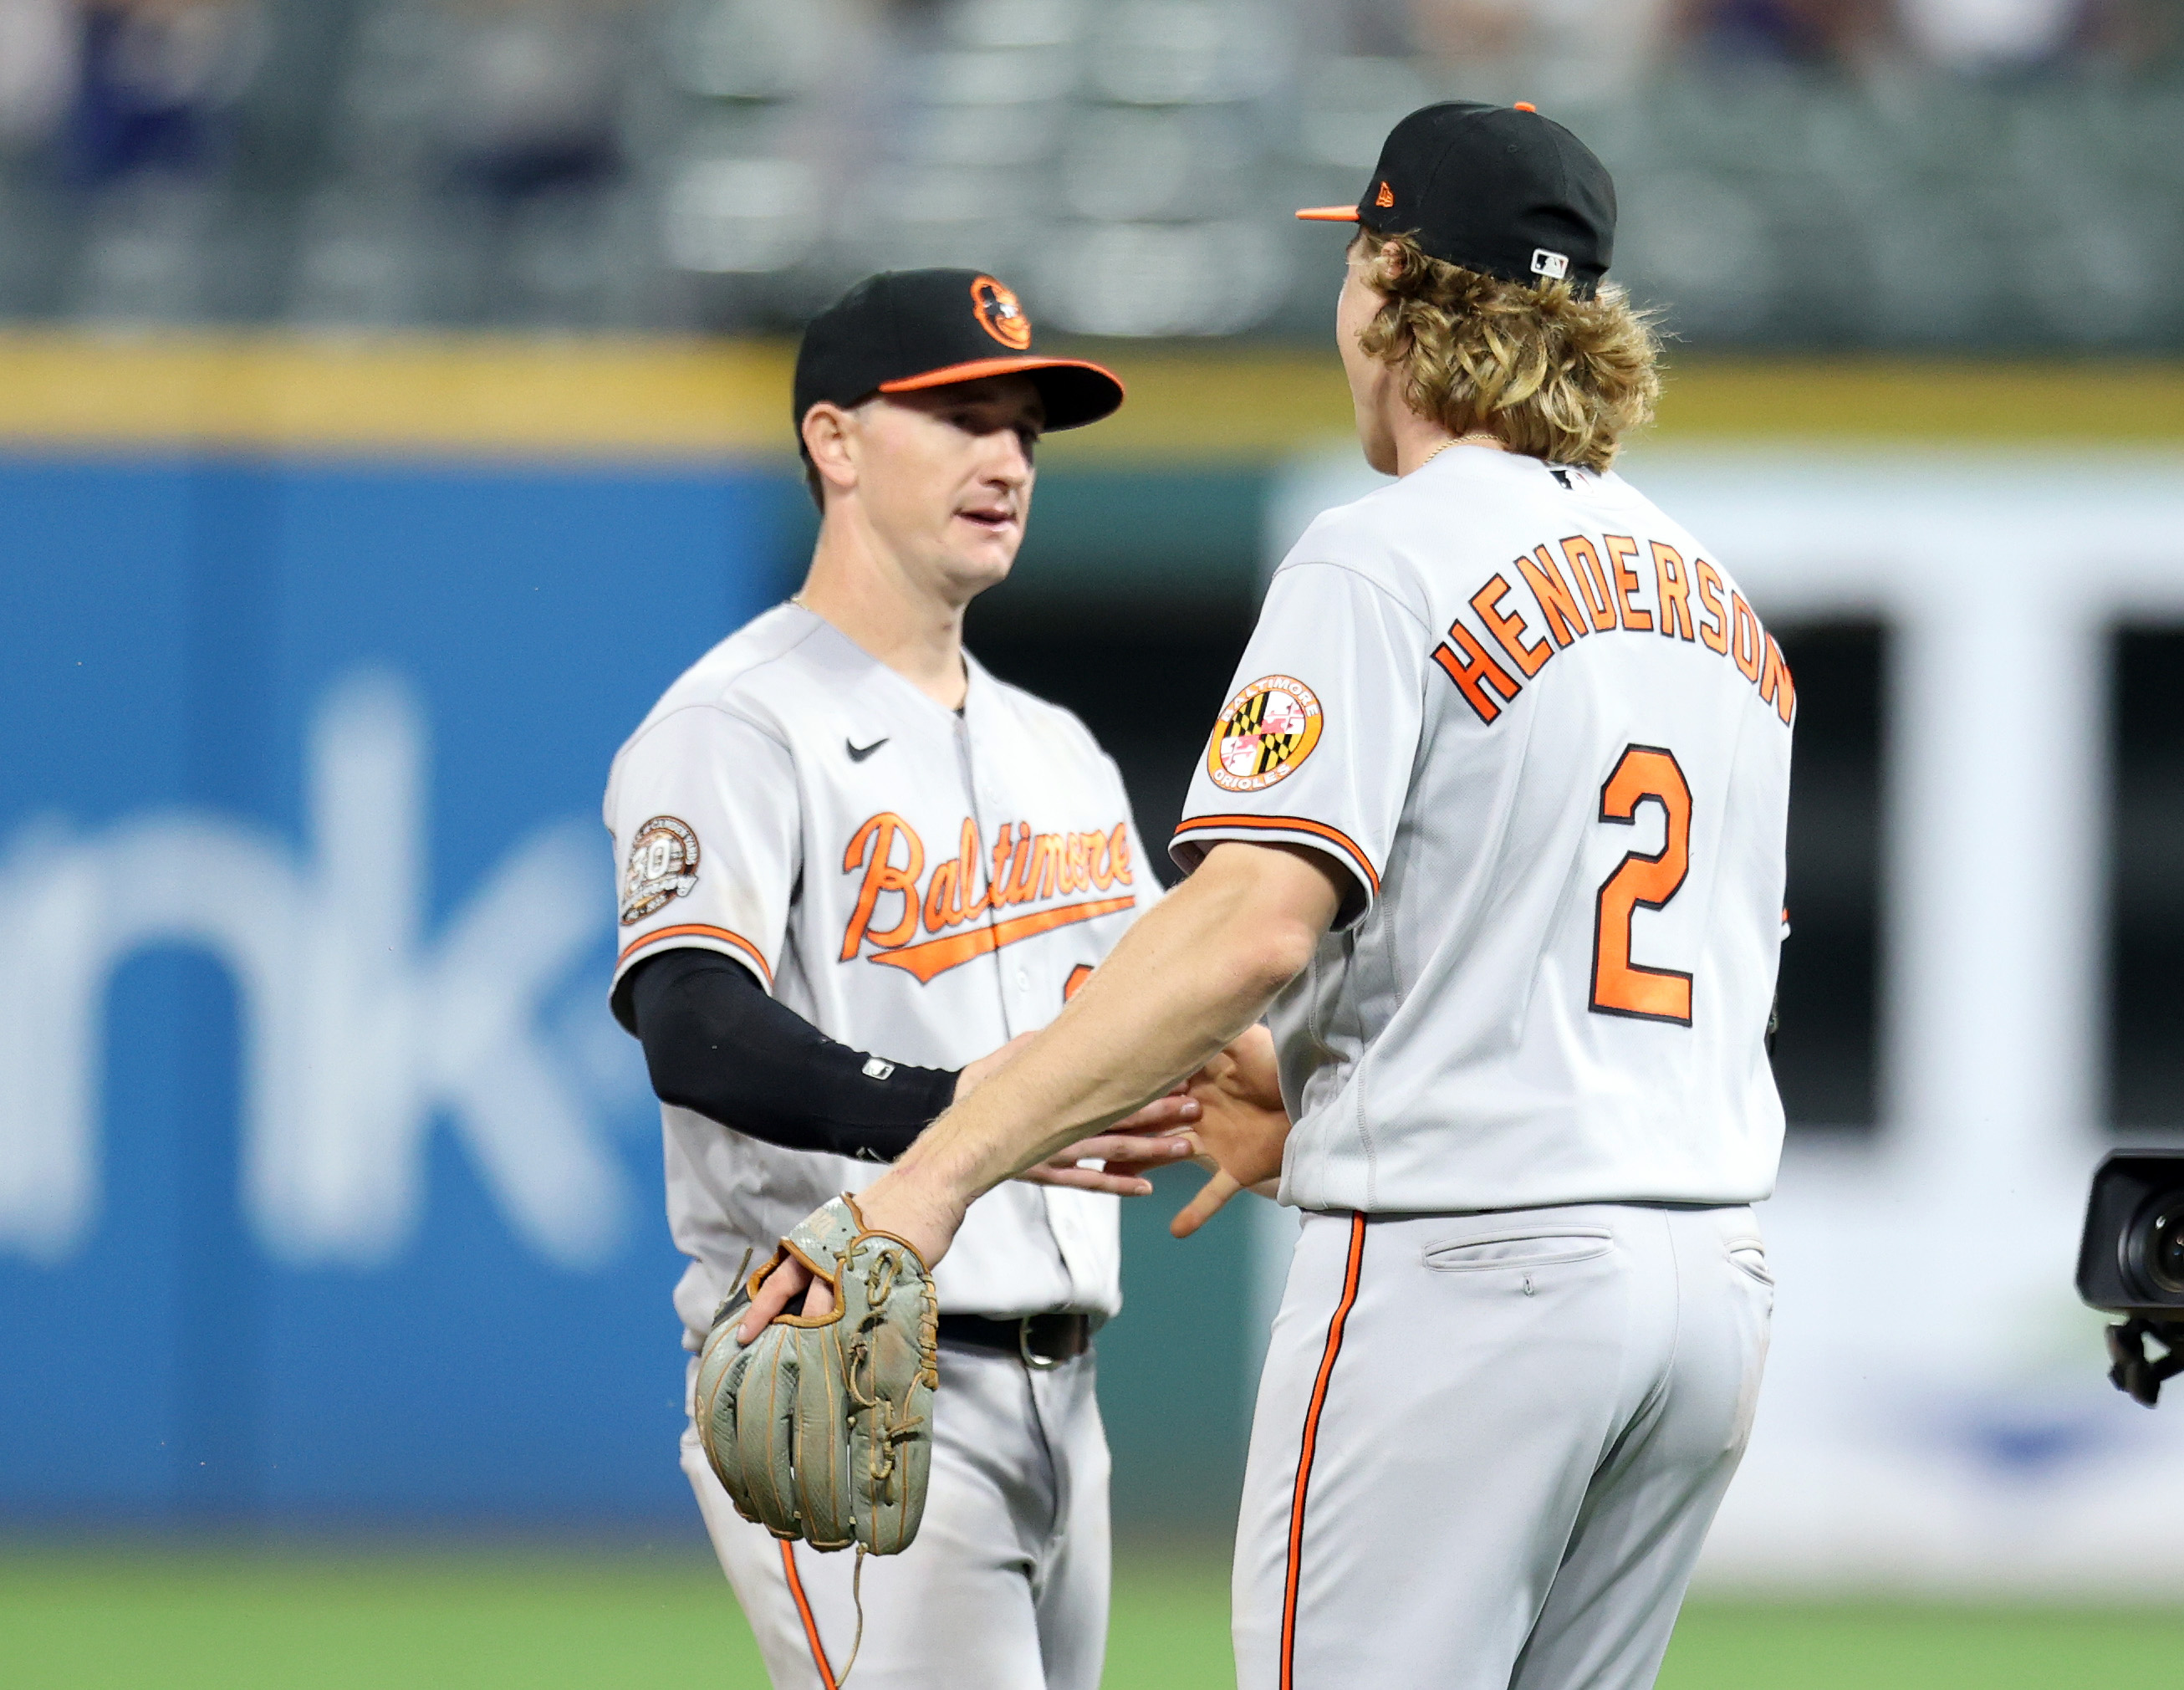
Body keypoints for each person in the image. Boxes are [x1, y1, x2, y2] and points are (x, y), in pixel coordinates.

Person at [744, 103, 1794, 1690]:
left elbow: (1253, 921)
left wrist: (936, 1174)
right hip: (1707, 1296)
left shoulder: (1385, 557)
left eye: (1356, 263)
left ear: (1389, 284)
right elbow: (1674, 980)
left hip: (1467, 1287)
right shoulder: (1718, 604)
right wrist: (1315, 1098)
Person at [605, 267, 1197, 1690]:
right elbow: (695, 1028)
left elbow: (1172, 1001)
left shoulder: (1059, 745)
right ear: (837, 441)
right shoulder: (739, 721)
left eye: (1027, 431)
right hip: (858, 1371)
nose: (1006, 458)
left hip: (1072, 1392)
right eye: (959, 416)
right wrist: (948, 1105)